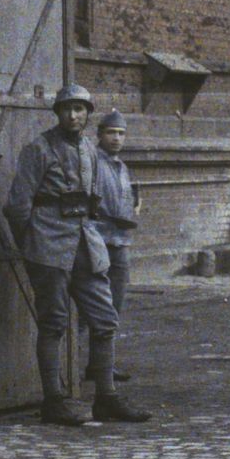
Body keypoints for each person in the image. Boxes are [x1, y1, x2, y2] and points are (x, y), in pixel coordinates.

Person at [4, 84, 149, 426]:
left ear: (88, 114)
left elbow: (94, 198)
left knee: (105, 319)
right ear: (58, 112)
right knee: (53, 323)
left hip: (85, 242)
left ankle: (106, 397)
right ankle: (53, 401)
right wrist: (32, 244)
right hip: (49, 244)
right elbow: (17, 206)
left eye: (80, 109)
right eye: (67, 109)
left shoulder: (89, 150)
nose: (73, 115)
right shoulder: (38, 149)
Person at [90, 109, 138, 384]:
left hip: (120, 242)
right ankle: (76, 366)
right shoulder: (92, 162)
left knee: (114, 306)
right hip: (97, 241)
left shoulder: (122, 167)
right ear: (99, 135)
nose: (116, 138)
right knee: (92, 305)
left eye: (121, 134)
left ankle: (101, 365)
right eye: (111, 133)